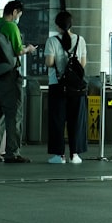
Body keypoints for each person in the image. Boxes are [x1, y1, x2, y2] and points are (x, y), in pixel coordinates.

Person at [0, 0, 36, 163]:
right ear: (14, 12)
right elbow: (18, 50)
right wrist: (29, 49)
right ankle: (12, 152)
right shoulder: (11, 26)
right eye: (19, 14)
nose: (18, 17)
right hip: (9, 75)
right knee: (14, 113)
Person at [44, 10, 88, 164]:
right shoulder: (80, 40)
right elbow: (82, 64)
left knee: (57, 120)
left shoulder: (52, 41)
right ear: (71, 25)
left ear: (58, 25)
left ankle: (59, 155)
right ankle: (75, 154)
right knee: (76, 120)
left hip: (57, 85)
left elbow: (49, 63)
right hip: (76, 87)